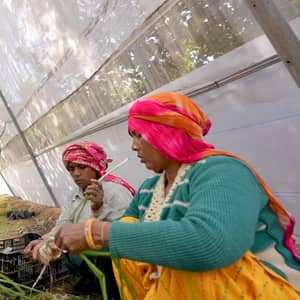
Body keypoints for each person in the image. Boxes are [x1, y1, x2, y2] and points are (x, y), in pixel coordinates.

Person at [54, 92, 300, 299]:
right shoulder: (149, 189)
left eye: (140, 134)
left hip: (253, 290)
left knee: (195, 269)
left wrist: (96, 231)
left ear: (169, 132)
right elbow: (124, 240)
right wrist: (60, 242)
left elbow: (211, 244)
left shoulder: (223, 170)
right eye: (132, 137)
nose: (133, 146)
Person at [24, 141, 135, 298]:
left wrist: (99, 207)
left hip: (112, 253)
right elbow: (64, 222)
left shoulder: (116, 191)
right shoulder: (74, 195)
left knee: (97, 256)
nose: (76, 173)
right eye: (71, 169)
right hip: (87, 249)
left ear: (96, 167)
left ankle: (115, 291)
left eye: (82, 167)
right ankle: (92, 282)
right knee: (68, 249)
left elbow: (127, 230)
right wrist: (45, 240)